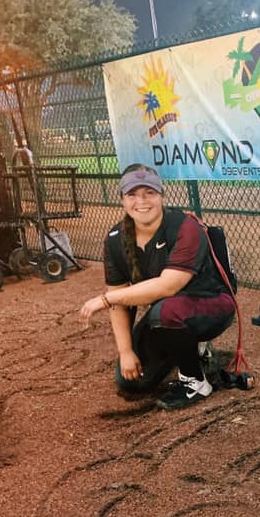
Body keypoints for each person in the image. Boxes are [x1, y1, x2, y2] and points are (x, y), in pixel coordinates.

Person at [79, 164, 235, 410]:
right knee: (131, 382)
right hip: (168, 313)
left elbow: (167, 286)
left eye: (149, 193)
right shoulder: (115, 238)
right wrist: (126, 352)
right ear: (122, 200)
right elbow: (120, 301)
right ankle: (191, 348)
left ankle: (195, 382)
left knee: (164, 311)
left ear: (161, 195)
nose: (141, 201)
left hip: (212, 304)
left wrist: (107, 299)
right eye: (132, 194)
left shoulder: (184, 227)